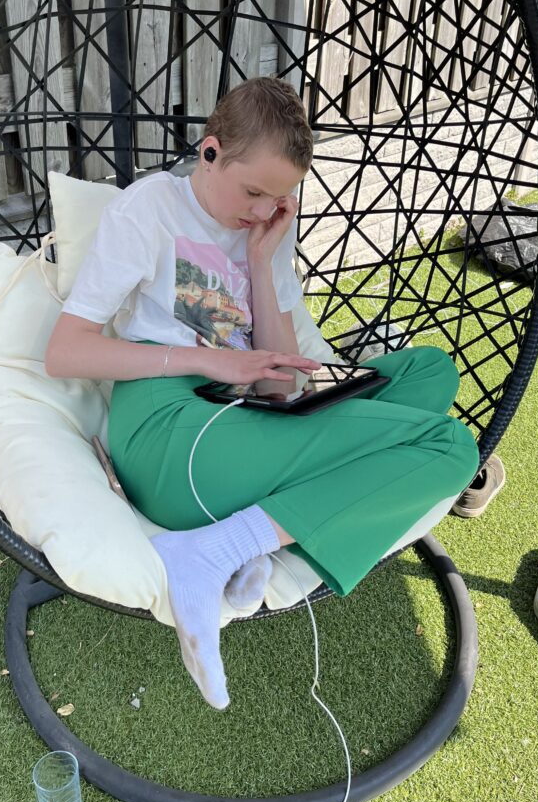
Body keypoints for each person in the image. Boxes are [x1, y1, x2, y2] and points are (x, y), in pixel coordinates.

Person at [45, 77, 480, 711]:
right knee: (450, 448)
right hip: (170, 432)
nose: (260, 210)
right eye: (252, 192)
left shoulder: (264, 229)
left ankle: (251, 531)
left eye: (278, 198)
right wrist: (210, 359)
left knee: (430, 372)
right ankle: (215, 550)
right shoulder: (150, 210)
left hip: (245, 413)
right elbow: (65, 351)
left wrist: (260, 260)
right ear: (210, 152)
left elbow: (279, 383)